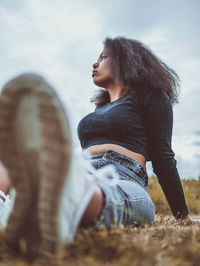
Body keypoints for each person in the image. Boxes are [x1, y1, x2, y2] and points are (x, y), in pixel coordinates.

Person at [0, 36, 199, 257]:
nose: (95, 63)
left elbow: (163, 158)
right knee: (15, 152)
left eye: (103, 57)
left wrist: (182, 216)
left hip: (123, 177)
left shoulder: (151, 96)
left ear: (126, 60)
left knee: (110, 195)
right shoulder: (99, 109)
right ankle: (16, 197)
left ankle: (71, 195)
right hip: (82, 166)